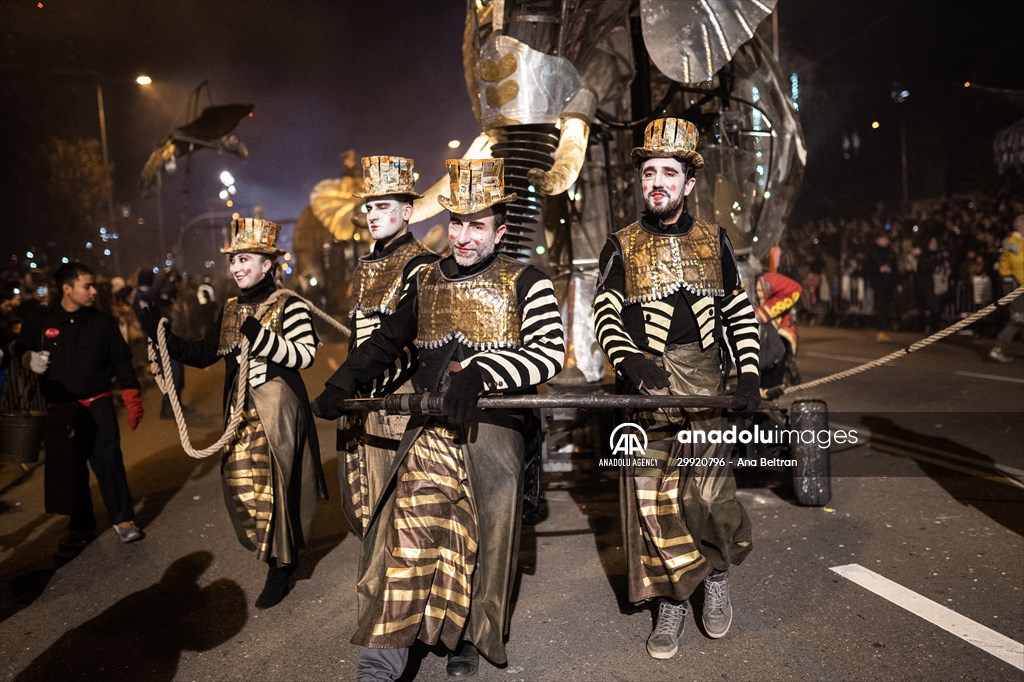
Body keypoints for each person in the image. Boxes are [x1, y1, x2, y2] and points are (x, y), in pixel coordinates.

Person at [312, 158, 565, 681]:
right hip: (428, 434)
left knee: (475, 541)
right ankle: (382, 660)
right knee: (408, 537)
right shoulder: (425, 280)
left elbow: (550, 353)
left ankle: (467, 638)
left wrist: (481, 372)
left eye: (477, 225)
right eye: (456, 223)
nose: (464, 236)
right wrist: (344, 381)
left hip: (494, 437)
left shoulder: (528, 281)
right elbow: (385, 342)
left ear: (499, 229)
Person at [593, 118, 760, 659]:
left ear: (689, 184)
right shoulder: (620, 244)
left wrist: (750, 372)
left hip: (705, 383)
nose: (657, 180)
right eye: (649, 172)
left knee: (709, 495)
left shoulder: (716, 240)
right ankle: (670, 599)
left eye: (669, 171)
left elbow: (737, 308)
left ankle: (713, 577)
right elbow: (605, 311)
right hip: (646, 388)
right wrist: (629, 361)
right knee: (655, 502)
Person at [137, 217, 327, 609]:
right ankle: (274, 553)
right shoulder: (228, 308)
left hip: (279, 413)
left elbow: (304, 355)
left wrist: (260, 336)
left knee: (276, 490)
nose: (238, 267)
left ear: (267, 265)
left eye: (245, 259)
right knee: (241, 486)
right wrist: (167, 338)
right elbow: (207, 354)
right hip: (240, 416)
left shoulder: (289, 304)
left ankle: (280, 566)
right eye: (234, 260)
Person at [337, 155, 437, 642]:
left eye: (385, 205)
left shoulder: (421, 265)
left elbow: (400, 341)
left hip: (400, 404)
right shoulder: (367, 265)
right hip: (366, 405)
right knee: (371, 510)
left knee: (407, 515)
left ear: (407, 212)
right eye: (370, 206)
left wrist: (352, 383)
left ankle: (408, 626)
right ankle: (387, 619)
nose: (374, 214)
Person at [15, 262, 145, 554]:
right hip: (60, 410)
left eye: (93, 286)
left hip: (98, 404)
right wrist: (29, 359)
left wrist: (132, 396)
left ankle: (123, 518)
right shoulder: (40, 319)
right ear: (67, 288)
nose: (92, 292)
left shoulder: (103, 322)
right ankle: (80, 526)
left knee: (108, 461)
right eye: (86, 286)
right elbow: (19, 347)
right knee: (70, 471)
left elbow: (121, 361)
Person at [990, 214, 1024, 363]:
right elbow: (1018, 267)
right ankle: (999, 348)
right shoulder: (1013, 244)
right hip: (1015, 285)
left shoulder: (1018, 242)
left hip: (1018, 284)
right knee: (1018, 317)